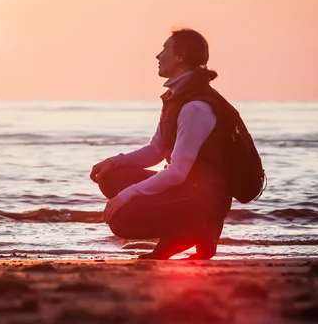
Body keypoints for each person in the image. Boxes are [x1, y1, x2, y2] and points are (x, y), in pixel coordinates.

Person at [90, 28, 234, 260]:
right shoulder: (178, 98)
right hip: (189, 189)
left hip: (204, 200)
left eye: (165, 50)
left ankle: (199, 230)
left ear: (181, 57)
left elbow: (177, 173)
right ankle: (183, 233)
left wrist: (126, 196)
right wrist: (113, 162)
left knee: (121, 220)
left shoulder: (195, 107)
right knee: (111, 178)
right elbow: (155, 150)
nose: (158, 56)